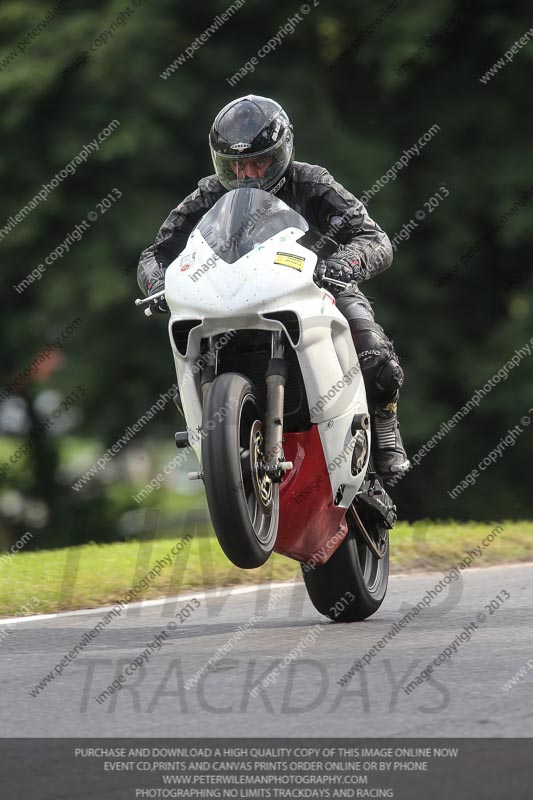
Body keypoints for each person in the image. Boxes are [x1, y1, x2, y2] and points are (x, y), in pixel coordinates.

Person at [137, 94, 409, 478]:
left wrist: (342, 264)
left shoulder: (312, 182)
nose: (246, 173)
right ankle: (215, 441)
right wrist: (157, 283)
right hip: (227, 296)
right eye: (235, 164)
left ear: (282, 152)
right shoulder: (209, 193)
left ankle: (384, 426)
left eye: (257, 161)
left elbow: (374, 238)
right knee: (186, 356)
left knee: (374, 353)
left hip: (317, 287)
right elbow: (156, 253)